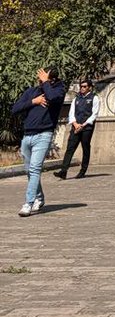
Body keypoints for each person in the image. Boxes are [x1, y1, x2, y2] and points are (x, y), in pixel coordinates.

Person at [11, 66, 66, 216]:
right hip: (27, 135)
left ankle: (28, 203)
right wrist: (34, 101)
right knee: (29, 170)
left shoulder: (58, 90)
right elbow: (15, 108)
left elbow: (53, 98)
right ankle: (39, 198)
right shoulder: (32, 92)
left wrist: (46, 83)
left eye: (43, 78)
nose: (40, 81)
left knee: (35, 169)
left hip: (43, 135)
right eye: (40, 79)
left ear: (51, 79)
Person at [55, 78, 101, 179]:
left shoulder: (94, 98)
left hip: (87, 127)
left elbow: (94, 114)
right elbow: (71, 112)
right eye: (81, 86)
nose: (82, 88)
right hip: (75, 127)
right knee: (70, 148)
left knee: (85, 148)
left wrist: (83, 125)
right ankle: (63, 171)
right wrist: (75, 124)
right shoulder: (77, 98)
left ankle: (83, 171)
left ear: (89, 88)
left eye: (84, 86)